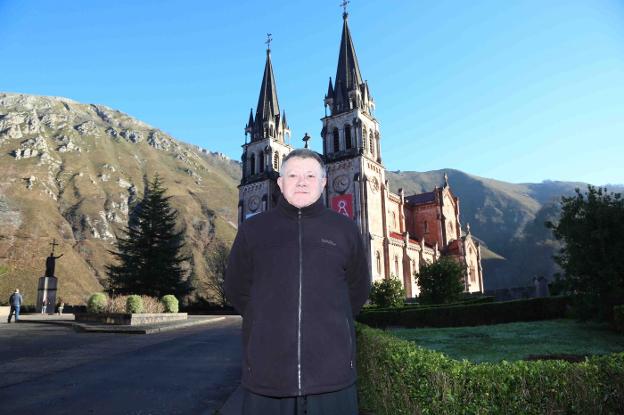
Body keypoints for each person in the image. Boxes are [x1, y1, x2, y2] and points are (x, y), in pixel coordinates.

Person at [225, 149, 371, 415]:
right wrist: (264, 319)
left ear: (324, 182)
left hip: (333, 380)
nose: (301, 182)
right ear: (280, 183)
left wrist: (332, 320)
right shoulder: (253, 230)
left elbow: (358, 290)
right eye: (292, 175)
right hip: (267, 381)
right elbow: (236, 288)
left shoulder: (345, 229)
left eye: (310, 175)